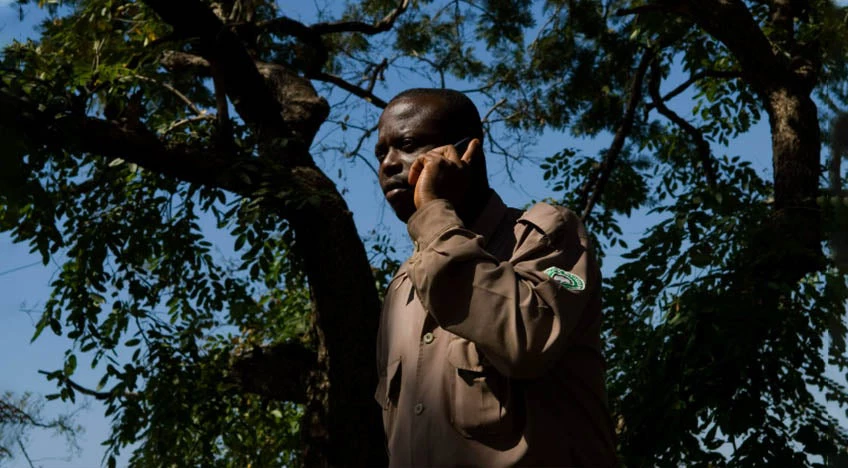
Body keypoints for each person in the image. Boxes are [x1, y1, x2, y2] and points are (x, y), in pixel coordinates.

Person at [374, 88, 617, 467]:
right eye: (381, 152)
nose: (388, 163)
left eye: (406, 144)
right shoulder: (401, 288)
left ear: (466, 152)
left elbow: (526, 344)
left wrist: (435, 212)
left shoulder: (547, 234)